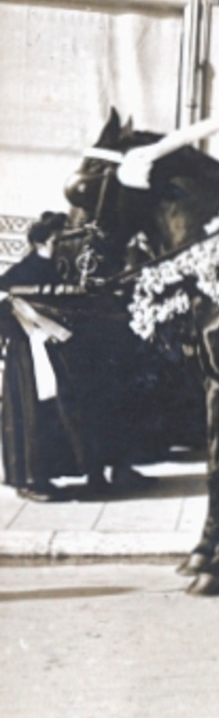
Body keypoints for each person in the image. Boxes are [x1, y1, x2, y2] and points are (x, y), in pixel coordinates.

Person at [0, 213, 77, 502]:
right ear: (40, 242)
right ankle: (28, 481)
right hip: (26, 356)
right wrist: (21, 332)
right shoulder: (24, 271)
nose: (59, 246)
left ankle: (43, 476)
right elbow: (4, 301)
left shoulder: (52, 269)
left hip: (45, 351)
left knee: (45, 415)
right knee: (28, 415)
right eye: (56, 240)